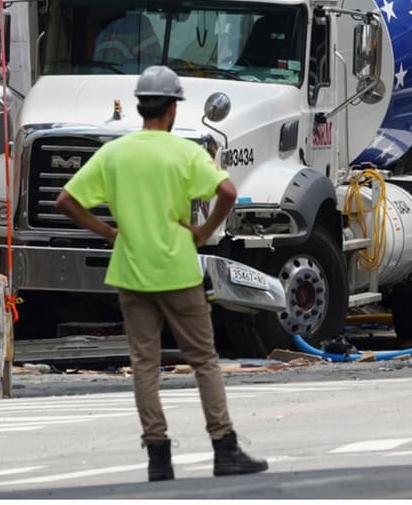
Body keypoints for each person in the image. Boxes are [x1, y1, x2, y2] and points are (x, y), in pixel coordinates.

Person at [55, 65, 267, 482]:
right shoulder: (185, 152)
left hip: (132, 271)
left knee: (145, 365)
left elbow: (66, 200)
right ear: (171, 109)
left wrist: (109, 232)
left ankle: (158, 457)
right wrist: (204, 231)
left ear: (140, 107)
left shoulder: (115, 154)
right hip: (178, 271)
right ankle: (224, 447)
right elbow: (227, 192)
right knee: (204, 360)